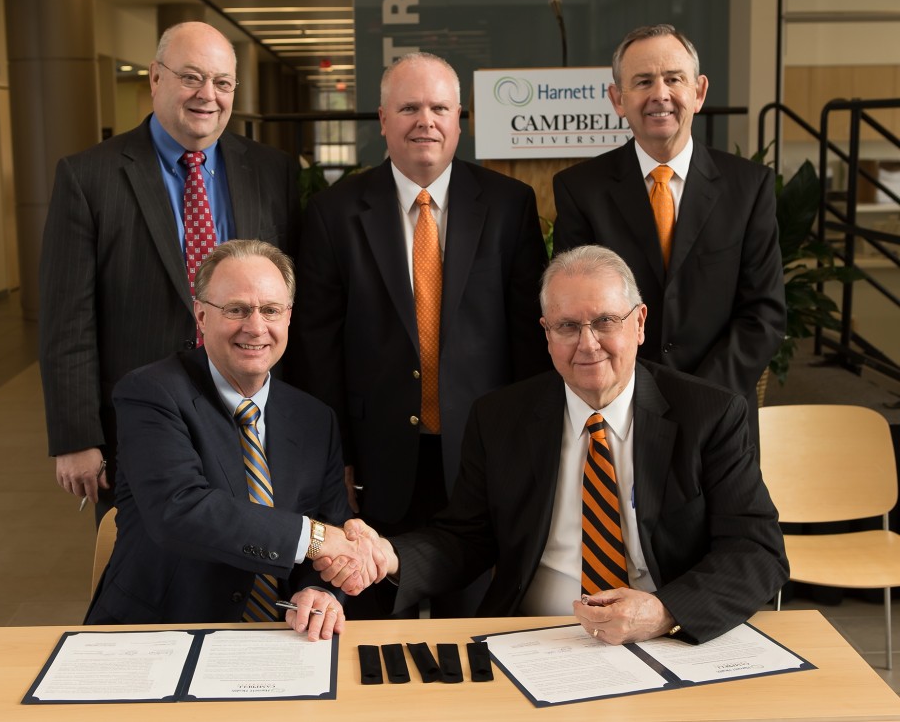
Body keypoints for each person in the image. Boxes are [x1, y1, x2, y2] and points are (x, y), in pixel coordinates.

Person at [319, 245, 788, 645]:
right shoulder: (501, 417)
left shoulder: (709, 414)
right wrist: (392, 556)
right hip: (532, 635)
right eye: (567, 326)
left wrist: (664, 610)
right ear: (545, 333)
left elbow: (756, 551)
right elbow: (466, 538)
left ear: (639, 323)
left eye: (605, 321)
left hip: (664, 637)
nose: (587, 344)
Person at [288, 52, 550, 617]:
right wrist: (337, 458)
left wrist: (524, 448)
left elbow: (530, 344)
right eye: (408, 107)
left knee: (474, 621)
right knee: (369, 612)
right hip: (375, 463)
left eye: (438, 107)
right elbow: (317, 347)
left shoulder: (509, 207)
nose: (424, 121)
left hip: (480, 460)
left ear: (460, 118)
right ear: (382, 119)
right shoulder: (334, 214)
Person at [39, 21, 299, 522]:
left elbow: (289, 302)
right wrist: (77, 436)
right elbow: (67, 319)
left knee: (251, 559)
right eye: (191, 77)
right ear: (156, 78)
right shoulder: (88, 176)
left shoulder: (272, 171)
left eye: (223, 83)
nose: (208, 95)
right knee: (145, 572)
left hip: (252, 414)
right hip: (139, 422)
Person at [85, 240, 385, 640]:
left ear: (289, 318)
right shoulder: (150, 393)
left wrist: (320, 589)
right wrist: (313, 538)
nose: (256, 327)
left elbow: (329, 526)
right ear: (202, 315)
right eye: (237, 309)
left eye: (271, 310)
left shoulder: (315, 419)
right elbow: (180, 509)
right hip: (160, 630)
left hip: (278, 636)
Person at [552, 24, 785, 450]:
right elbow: (576, 312)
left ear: (698, 92)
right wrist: (638, 397)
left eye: (674, 79)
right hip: (619, 413)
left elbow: (763, 315)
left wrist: (697, 397)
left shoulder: (749, 187)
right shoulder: (580, 190)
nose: (660, 93)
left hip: (722, 415)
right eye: (643, 81)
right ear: (618, 100)